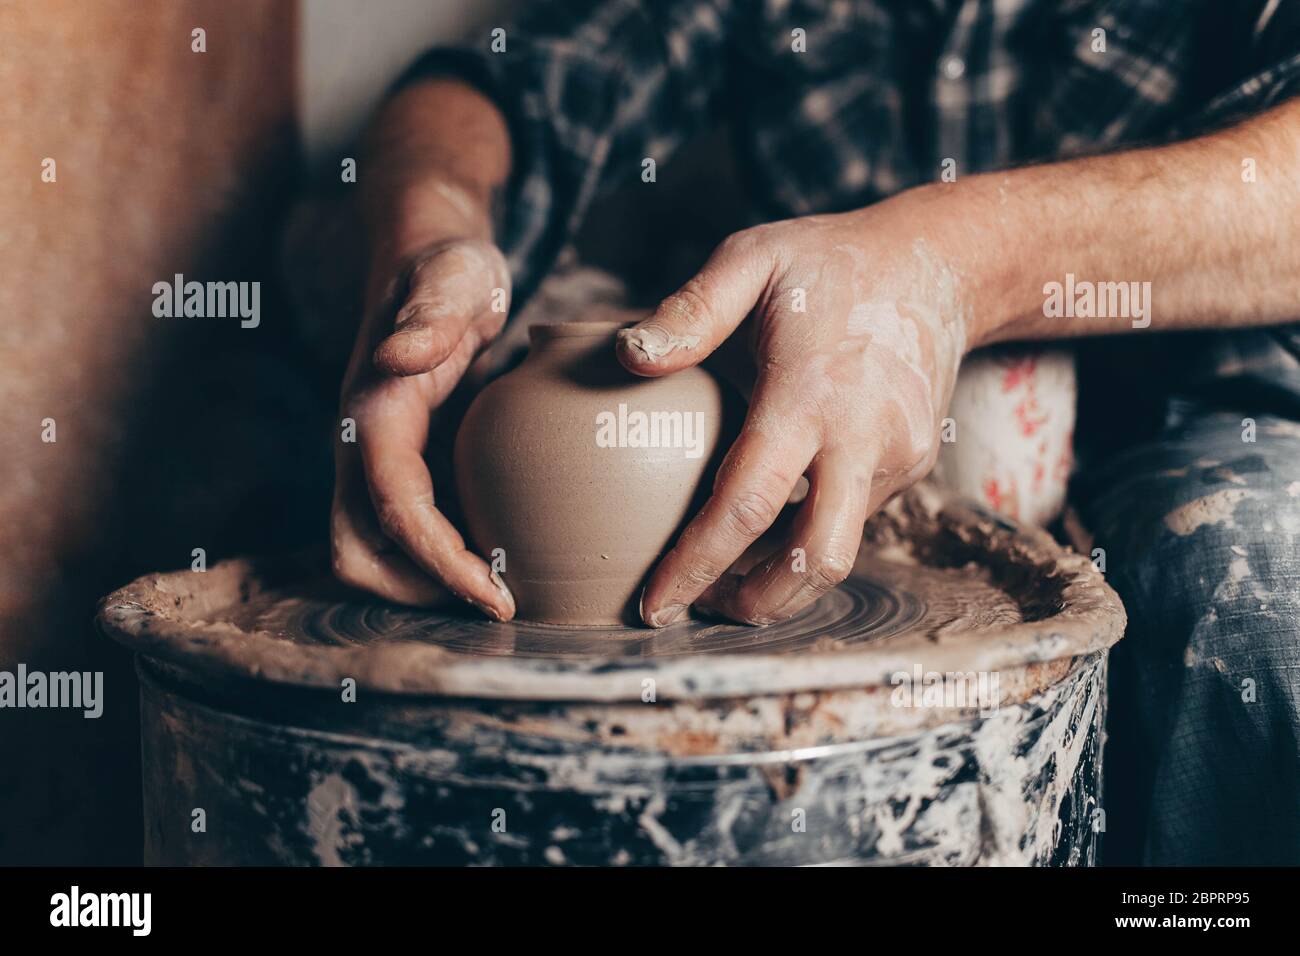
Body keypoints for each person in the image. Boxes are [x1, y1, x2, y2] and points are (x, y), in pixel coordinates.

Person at [331, 0, 1300, 864]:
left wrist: (951, 265)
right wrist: (429, 236)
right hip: (815, 434)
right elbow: (512, 79)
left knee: (1246, 579)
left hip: (1202, 408)